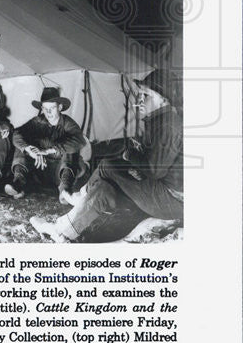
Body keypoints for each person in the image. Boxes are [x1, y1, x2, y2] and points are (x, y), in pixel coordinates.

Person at [30, 69, 183, 242]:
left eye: (145, 95)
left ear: (163, 100)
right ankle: (63, 231)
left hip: (173, 199)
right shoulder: (158, 121)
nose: (139, 100)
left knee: (109, 165)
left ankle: (80, 196)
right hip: (162, 191)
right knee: (104, 189)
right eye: (139, 95)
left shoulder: (168, 126)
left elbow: (154, 170)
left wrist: (129, 154)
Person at [5, 87, 88, 203]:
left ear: (60, 107)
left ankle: (65, 191)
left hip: (60, 171)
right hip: (40, 169)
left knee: (70, 151)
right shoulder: (38, 121)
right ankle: (18, 182)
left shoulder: (68, 123)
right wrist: (29, 149)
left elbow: (79, 140)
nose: (48, 113)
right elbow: (17, 133)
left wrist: (48, 151)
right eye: (45, 108)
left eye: (52, 108)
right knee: (22, 146)